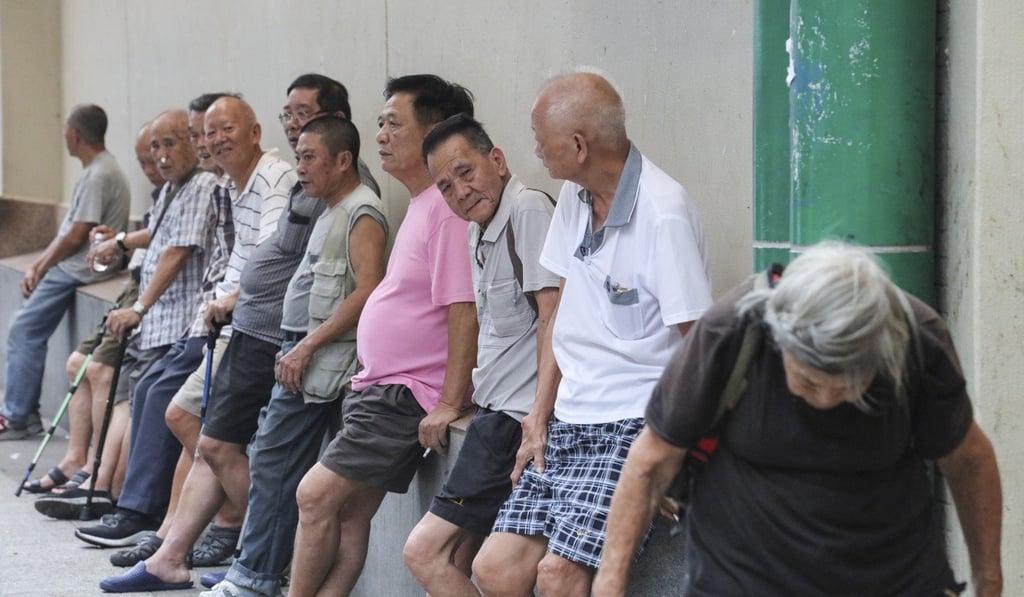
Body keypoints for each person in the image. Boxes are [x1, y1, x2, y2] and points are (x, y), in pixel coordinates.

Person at [593, 242, 1004, 597]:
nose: (826, 400)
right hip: (745, 578)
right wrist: (609, 587)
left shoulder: (917, 339)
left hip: (890, 577)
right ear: (778, 338)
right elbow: (649, 463)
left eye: (849, 386)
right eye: (808, 381)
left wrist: (989, 584)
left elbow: (968, 458)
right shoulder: (730, 332)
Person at [472, 70, 713, 596]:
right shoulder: (575, 197)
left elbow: (702, 348)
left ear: (579, 145)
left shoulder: (663, 213)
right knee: (495, 569)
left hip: (634, 424)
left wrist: (676, 454)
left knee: (558, 577)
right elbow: (563, 311)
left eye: (541, 140)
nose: (534, 150)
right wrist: (538, 415)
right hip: (570, 420)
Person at [288, 74, 476, 597]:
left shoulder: (446, 209)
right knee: (349, 514)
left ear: (435, 132)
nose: (381, 136)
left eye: (395, 124)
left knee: (313, 496)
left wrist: (450, 400)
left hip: (405, 392)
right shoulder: (421, 202)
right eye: (380, 124)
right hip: (381, 387)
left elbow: (465, 311)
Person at [203, 75, 385, 597]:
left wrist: (305, 345)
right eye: (298, 156)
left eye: (309, 157)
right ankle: (255, 573)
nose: (298, 167)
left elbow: (368, 290)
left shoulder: (362, 210)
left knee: (276, 463)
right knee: (271, 461)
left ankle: (254, 577)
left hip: (318, 362)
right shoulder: (329, 209)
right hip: (298, 354)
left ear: (342, 160)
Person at [402, 114, 560, 596]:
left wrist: (538, 415)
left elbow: (555, 317)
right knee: (462, 556)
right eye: (446, 186)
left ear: (497, 159)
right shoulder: (478, 230)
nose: (460, 192)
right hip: (491, 415)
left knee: (424, 551)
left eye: (465, 172)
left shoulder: (527, 210)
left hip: (513, 421)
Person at [21, 121, 163, 495]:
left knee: (98, 368)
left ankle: (93, 469)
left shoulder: (182, 190)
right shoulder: (160, 192)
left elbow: (171, 245)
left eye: (155, 161)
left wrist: (115, 242)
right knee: (75, 363)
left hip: (146, 296)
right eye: (145, 162)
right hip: (133, 282)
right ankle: (75, 458)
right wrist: (116, 242)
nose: (151, 170)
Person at [1, 104, 131, 439]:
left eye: (65, 134)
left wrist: (41, 266)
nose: (64, 140)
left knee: (23, 328)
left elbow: (77, 233)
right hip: (75, 266)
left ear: (75, 134)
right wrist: (40, 263)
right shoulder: (98, 170)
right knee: (25, 328)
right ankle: (23, 412)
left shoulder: (100, 174)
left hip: (80, 269)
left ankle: (16, 415)